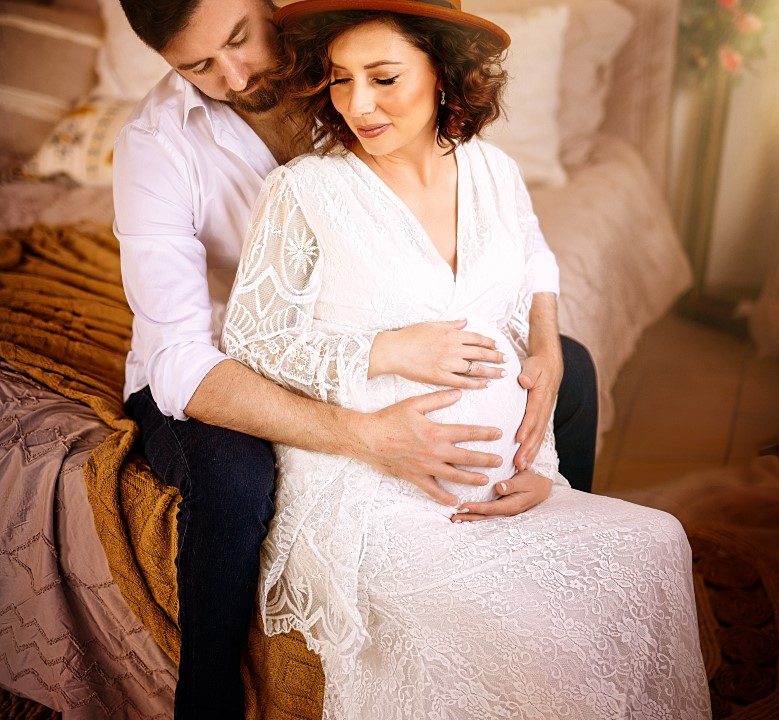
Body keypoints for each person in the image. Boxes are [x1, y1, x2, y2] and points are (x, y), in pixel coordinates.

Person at [219, 1, 711, 718]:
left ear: (442, 72)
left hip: (499, 477)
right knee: (553, 647)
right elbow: (251, 340)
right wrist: (387, 349)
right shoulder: (305, 191)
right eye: (340, 79)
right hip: (368, 490)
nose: (358, 104)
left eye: (384, 78)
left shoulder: (493, 173)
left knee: (659, 542)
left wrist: (541, 452)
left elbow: (531, 266)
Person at [114, 0, 597, 716]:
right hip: (222, 368)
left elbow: (514, 227)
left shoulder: (350, 74)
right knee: (238, 478)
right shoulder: (157, 145)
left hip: (361, 329)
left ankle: (553, 546)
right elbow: (181, 358)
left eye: (240, 39)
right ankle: (207, 697)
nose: (236, 76)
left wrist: (546, 338)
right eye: (199, 67)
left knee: (574, 370)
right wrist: (365, 437)